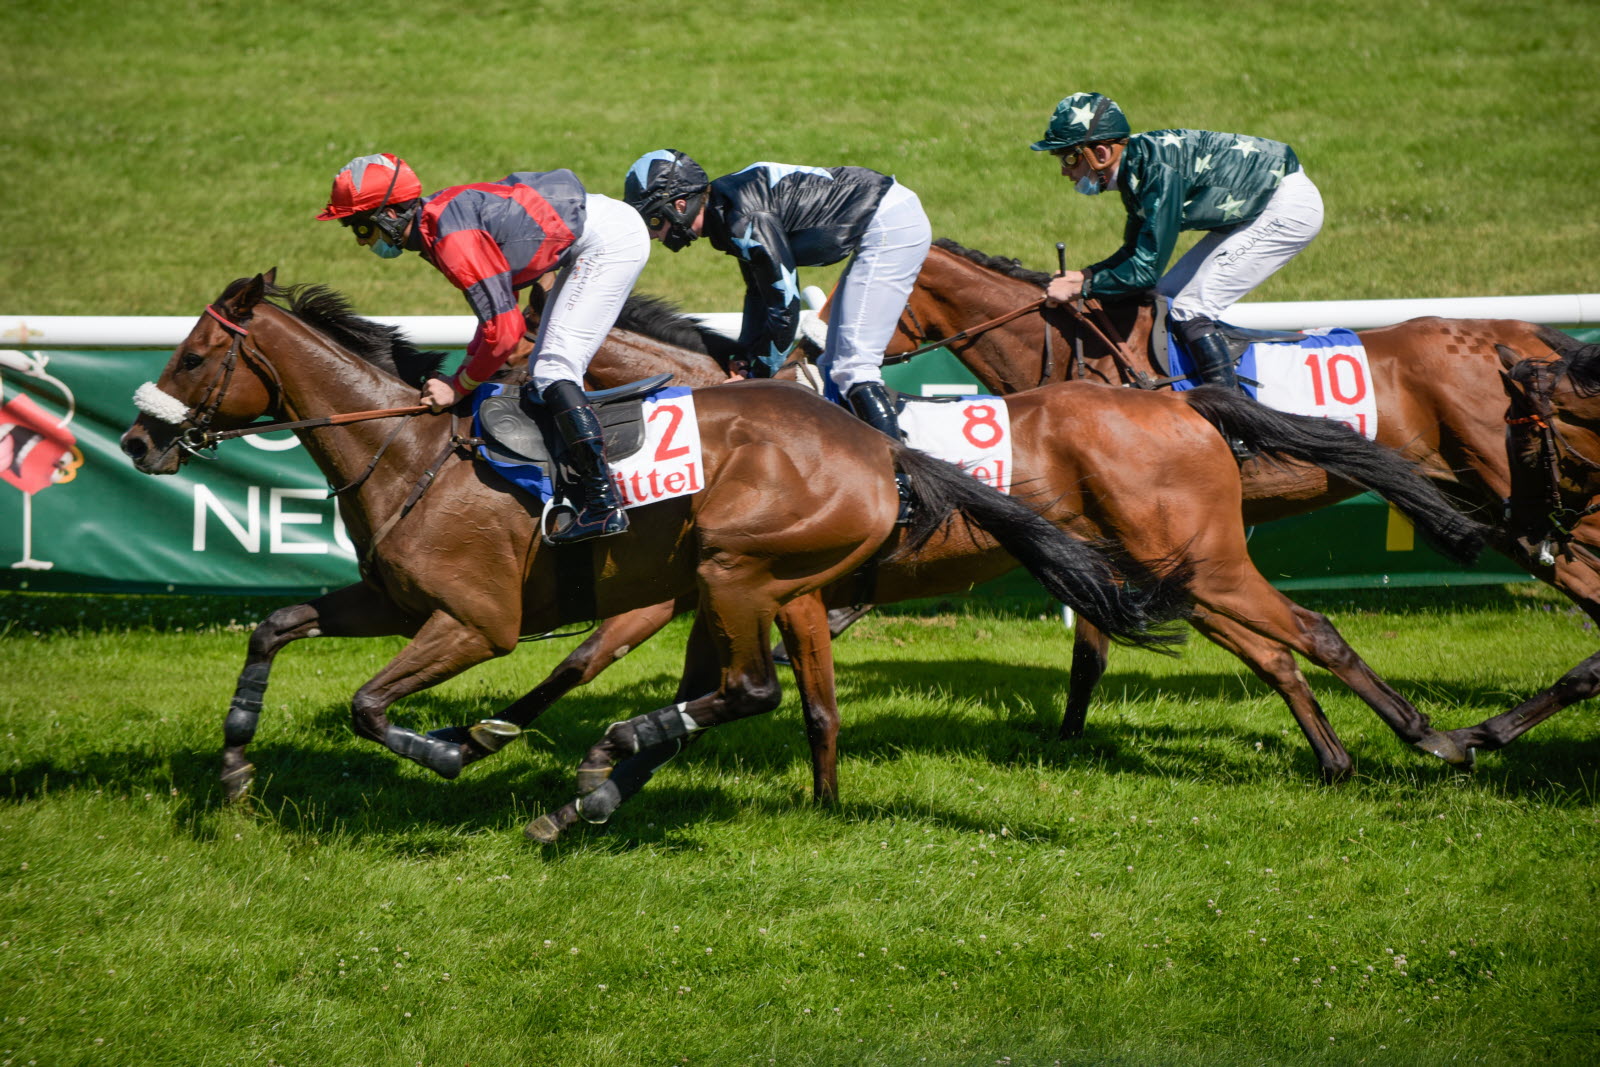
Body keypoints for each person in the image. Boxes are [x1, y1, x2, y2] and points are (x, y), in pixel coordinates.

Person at [317, 153, 650, 543]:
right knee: (541, 371)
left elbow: (505, 332)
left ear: (390, 214)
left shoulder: (450, 238)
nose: (361, 241)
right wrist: (463, 369)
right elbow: (495, 317)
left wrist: (458, 386)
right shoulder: (435, 224)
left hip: (606, 242)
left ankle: (603, 503)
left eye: (361, 228)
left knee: (553, 370)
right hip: (592, 232)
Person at [620, 150, 932, 443]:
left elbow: (785, 305)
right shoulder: (725, 214)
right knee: (832, 364)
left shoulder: (743, 219)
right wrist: (745, 354)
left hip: (890, 224)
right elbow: (759, 292)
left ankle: (901, 476)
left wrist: (756, 375)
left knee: (854, 366)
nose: (653, 234)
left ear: (678, 205)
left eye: (654, 221)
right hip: (882, 215)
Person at [1031, 92, 1324, 390]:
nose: (1065, 171)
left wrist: (1081, 288)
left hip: (1286, 208)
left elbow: (1145, 271)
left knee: (1191, 308)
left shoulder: (1157, 171)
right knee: (1164, 298)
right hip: (1256, 205)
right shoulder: (1137, 167)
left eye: (1069, 157)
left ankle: (1231, 414)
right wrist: (1086, 274)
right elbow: (1135, 253)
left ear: (1101, 154)